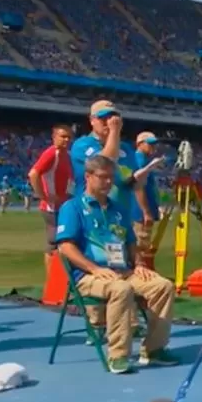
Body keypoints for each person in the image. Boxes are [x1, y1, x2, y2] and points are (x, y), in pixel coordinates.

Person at [55, 155, 179, 374]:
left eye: (111, 178)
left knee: (163, 286)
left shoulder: (118, 210)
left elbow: (130, 242)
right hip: (89, 276)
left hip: (124, 270)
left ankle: (154, 349)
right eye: (102, 178)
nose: (108, 183)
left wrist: (139, 263)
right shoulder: (72, 207)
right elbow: (65, 247)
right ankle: (118, 355)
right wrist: (94, 269)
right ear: (88, 177)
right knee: (121, 289)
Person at [28, 124, 74, 272]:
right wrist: (43, 196)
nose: (66, 139)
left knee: (65, 241)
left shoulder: (66, 155)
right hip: (51, 207)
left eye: (69, 137)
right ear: (54, 137)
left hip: (63, 205)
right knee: (54, 243)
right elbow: (33, 173)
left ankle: (60, 278)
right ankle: (52, 282)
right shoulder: (51, 153)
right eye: (63, 136)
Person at [132, 131, 161, 268]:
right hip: (139, 211)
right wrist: (145, 211)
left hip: (143, 209)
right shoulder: (139, 159)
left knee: (143, 242)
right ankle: (139, 271)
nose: (153, 147)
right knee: (140, 243)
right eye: (150, 144)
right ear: (140, 144)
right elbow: (138, 187)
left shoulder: (145, 160)